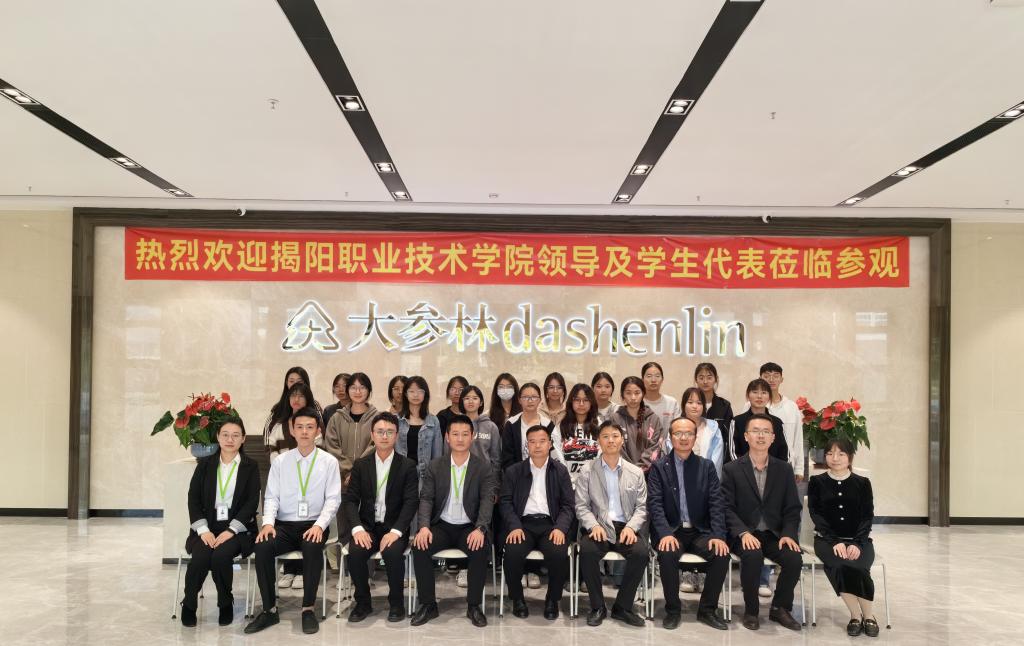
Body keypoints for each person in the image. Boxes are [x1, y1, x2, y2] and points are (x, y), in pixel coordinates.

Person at [245, 407, 342, 636]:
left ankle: (308, 609)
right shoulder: (281, 461)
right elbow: (271, 497)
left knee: (312, 547)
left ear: (318, 431)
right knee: (263, 546)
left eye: (310, 427)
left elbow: (333, 499)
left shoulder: (329, 462)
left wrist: (319, 526)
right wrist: (268, 524)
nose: (304, 431)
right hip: (284, 526)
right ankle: (269, 609)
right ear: (292, 430)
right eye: (300, 427)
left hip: (314, 524)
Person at [410, 415, 496, 627]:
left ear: (472, 437)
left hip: (469, 526)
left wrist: (480, 528)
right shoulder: (435, 466)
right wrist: (424, 527)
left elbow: (487, 500)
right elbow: (426, 498)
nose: (460, 439)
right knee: (420, 546)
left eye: (465, 434)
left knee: (479, 548)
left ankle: (474, 606)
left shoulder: (483, 467)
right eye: (455, 434)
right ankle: (428, 604)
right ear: (447, 437)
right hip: (442, 525)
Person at [721, 413, 803, 632]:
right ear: (746, 436)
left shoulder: (784, 469)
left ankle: (780, 608)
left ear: (773, 437)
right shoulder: (732, 469)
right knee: (752, 555)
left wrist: (788, 533)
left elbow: (792, 508)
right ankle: (751, 610)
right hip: (744, 533)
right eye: (755, 431)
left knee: (794, 558)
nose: (760, 436)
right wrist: (743, 533)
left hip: (774, 533)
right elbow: (726, 507)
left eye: (766, 431)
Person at [647, 418, 730, 631]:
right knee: (667, 554)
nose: (683, 438)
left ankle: (708, 610)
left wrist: (718, 535)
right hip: (671, 531)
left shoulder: (706, 466)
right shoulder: (659, 467)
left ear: (695, 437)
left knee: (721, 554)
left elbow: (716, 503)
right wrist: (665, 533)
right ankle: (673, 610)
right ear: (670, 438)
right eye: (678, 433)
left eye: (688, 434)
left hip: (700, 530)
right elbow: (655, 504)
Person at [180, 418, 260, 627]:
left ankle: (225, 603)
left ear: (243, 439)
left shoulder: (250, 466)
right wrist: (203, 530)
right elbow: (193, 499)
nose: (230, 439)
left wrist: (231, 530)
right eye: (225, 434)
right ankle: (189, 603)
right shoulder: (204, 465)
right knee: (200, 558)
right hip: (207, 526)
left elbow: (251, 502)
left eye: (235, 435)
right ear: (217, 437)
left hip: (238, 529)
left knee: (221, 556)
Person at [343, 412, 420, 623]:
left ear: (396, 435)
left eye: (389, 432)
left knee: (393, 553)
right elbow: (350, 501)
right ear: (372, 435)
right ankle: (362, 602)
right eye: (380, 431)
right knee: (355, 553)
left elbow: (411, 502)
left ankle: (396, 603)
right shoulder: (361, 465)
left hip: (394, 527)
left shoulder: (407, 466)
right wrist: (357, 529)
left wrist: (396, 532)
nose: (384, 436)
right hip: (367, 527)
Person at [575, 421, 650, 628]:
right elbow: (581, 505)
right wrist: (593, 526)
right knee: (588, 551)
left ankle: (622, 607)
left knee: (641, 553)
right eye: (605, 436)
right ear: (598, 441)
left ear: (622, 440)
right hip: (598, 526)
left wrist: (631, 527)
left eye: (615, 436)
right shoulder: (587, 470)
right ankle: (597, 606)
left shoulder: (635, 472)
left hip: (625, 527)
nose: (611, 440)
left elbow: (642, 507)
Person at [500, 425, 575, 620]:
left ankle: (552, 600)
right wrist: (514, 526)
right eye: (532, 442)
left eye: (542, 441)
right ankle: (517, 599)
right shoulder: (514, 471)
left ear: (550, 444)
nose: (537, 446)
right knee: (512, 552)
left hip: (551, 524)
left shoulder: (560, 471)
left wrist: (560, 528)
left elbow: (568, 505)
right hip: (522, 524)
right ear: (527, 446)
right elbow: (505, 502)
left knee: (558, 553)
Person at [808, 438, 879, 638]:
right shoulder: (817, 482)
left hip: (859, 540)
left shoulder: (862, 483)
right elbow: (816, 515)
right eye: (830, 453)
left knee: (858, 566)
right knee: (839, 565)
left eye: (841, 453)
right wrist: (835, 541)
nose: (835, 458)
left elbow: (867, 516)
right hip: (826, 540)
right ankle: (856, 616)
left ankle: (869, 616)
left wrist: (857, 543)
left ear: (850, 457)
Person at [265, 381, 321, 587]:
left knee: (308, 532)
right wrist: (285, 469)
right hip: (286, 482)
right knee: (286, 523)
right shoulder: (279, 424)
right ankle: (289, 571)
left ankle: (302, 573)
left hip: (309, 489)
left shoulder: (314, 423)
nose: (296, 399)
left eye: (301, 395)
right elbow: (271, 449)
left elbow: (318, 454)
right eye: (293, 395)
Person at [745, 362, 805, 480]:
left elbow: (798, 438)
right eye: (767, 376)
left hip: (785, 465)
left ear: (781, 379)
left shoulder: (791, 407)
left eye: (776, 376)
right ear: (760, 378)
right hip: (754, 467)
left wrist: (799, 468)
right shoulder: (750, 405)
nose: (771, 379)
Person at [324, 372, 378, 487]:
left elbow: (375, 446)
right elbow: (332, 446)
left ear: (369, 391)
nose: (358, 392)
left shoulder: (377, 418)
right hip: (341, 480)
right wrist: (348, 471)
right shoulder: (336, 418)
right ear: (348, 390)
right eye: (353, 387)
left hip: (369, 478)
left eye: (362, 387)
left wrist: (357, 471)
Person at [501, 382, 562, 469]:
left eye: (534, 397)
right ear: (519, 400)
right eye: (525, 397)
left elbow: (556, 456)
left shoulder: (548, 425)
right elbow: (507, 458)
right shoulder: (511, 424)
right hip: (518, 474)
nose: (530, 401)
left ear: (540, 400)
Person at [610, 376, 664, 472]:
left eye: (637, 393)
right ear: (622, 395)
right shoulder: (615, 419)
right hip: (622, 472)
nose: (633, 397)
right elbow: (614, 446)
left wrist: (638, 470)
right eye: (628, 393)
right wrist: (630, 471)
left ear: (643, 394)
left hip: (649, 474)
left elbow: (656, 447)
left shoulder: (653, 419)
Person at [730, 379, 788, 463]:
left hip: (774, 470)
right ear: (748, 395)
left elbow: (784, 453)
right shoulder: (737, 422)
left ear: (769, 397)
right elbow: (733, 453)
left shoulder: (777, 423)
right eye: (755, 392)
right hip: (743, 470)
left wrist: (773, 469)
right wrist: (748, 469)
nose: (759, 396)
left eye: (764, 392)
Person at [396, 376, 442, 478]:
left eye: (420, 391)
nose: (416, 395)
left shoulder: (433, 421)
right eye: (411, 391)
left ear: (425, 394)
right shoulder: (397, 420)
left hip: (425, 475)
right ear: (405, 394)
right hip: (400, 474)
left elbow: (437, 455)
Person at [559, 383, 601, 484]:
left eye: (586, 400)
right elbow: (558, 455)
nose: (581, 404)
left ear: (591, 402)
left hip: (593, 482)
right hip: (567, 482)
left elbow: (601, 455)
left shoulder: (599, 425)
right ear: (571, 402)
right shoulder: (562, 425)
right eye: (577, 400)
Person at [678, 387, 724, 478]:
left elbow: (717, 459)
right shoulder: (676, 427)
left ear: (703, 406)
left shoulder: (713, 428)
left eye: (699, 403)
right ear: (683, 405)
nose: (695, 406)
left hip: (707, 479)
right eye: (690, 402)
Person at [459, 385, 502, 477]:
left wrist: (493, 480)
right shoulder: (455, 425)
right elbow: (448, 452)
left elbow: (496, 458)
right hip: (460, 475)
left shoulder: (491, 427)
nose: (470, 401)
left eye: (475, 398)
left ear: (481, 402)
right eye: (467, 398)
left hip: (485, 477)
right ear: (462, 402)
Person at [695, 363, 732, 456]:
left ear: (716, 379)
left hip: (718, 455)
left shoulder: (724, 406)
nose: (705, 381)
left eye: (709, 377)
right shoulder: (691, 405)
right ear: (696, 380)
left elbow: (729, 436)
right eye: (701, 378)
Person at [641, 362, 681, 432]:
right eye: (649, 376)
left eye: (657, 376)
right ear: (642, 380)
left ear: (662, 379)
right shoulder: (637, 402)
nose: (653, 380)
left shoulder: (672, 403)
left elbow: (678, 428)